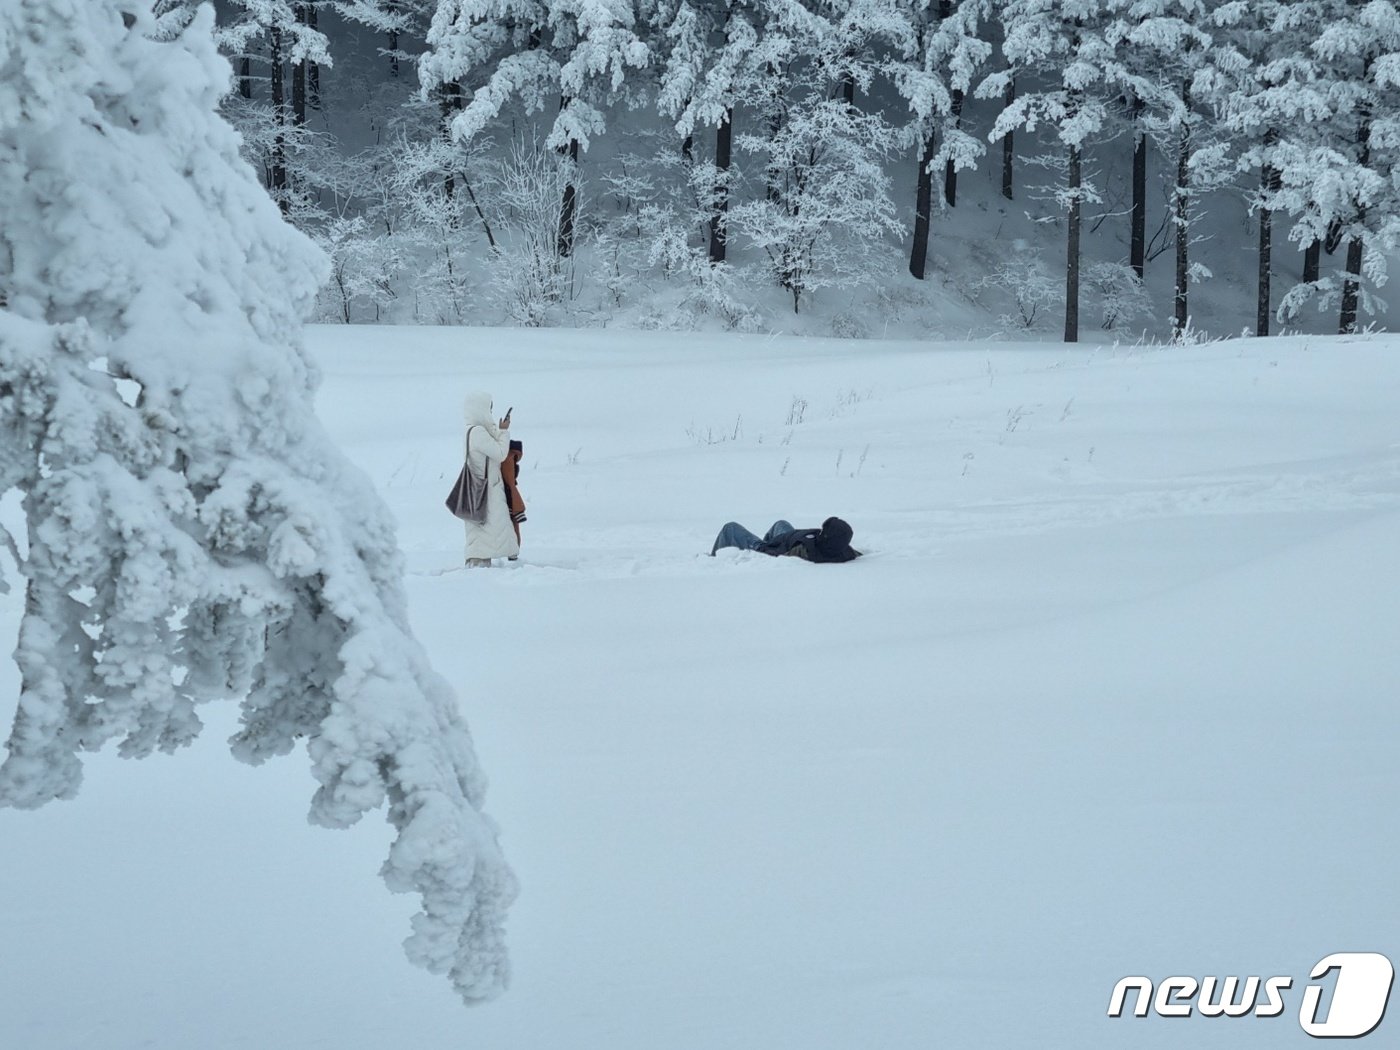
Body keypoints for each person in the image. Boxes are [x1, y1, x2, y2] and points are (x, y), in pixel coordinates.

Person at [461, 392, 519, 566]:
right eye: (489, 408)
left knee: (483, 530)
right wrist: (504, 432)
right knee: (491, 527)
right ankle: (479, 562)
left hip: (480, 488)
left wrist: (497, 430)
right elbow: (500, 453)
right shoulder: (478, 432)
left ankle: (479, 561)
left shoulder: (471, 430)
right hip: (487, 490)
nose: (491, 412)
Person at [710, 517, 861, 562]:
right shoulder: (844, 551)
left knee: (730, 528)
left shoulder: (804, 552)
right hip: (789, 537)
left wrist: (763, 551)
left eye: (824, 531)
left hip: (770, 549)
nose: (820, 532)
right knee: (780, 524)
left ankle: (712, 560)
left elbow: (781, 557)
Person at [501, 439, 527, 558]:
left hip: (507, 494)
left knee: (510, 524)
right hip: (510, 493)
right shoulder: (511, 457)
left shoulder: (507, 458)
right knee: (513, 524)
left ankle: (512, 552)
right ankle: (513, 552)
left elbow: (509, 481)